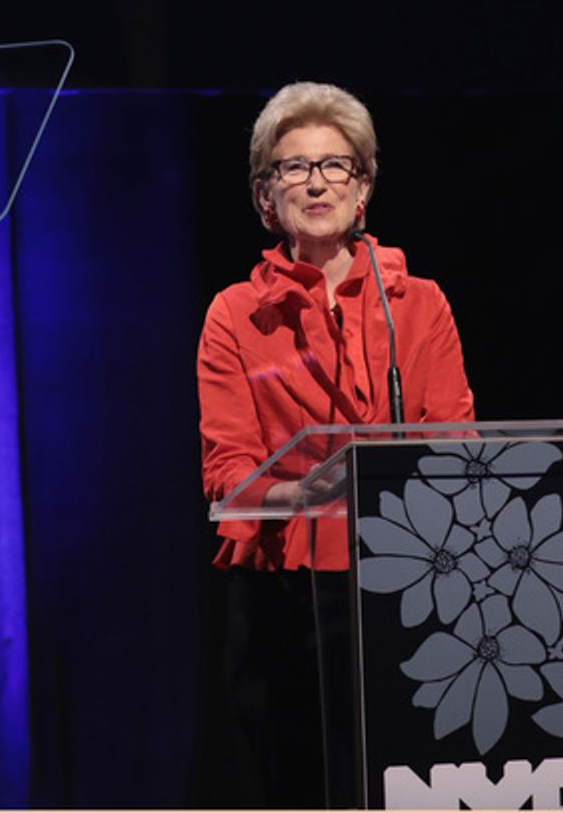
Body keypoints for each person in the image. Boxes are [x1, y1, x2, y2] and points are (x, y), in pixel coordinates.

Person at [196, 81, 474, 807]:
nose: (316, 181)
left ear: (364, 186)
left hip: (412, 581)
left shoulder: (419, 301)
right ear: (265, 195)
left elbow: (456, 441)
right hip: (285, 594)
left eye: (336, 165)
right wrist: (300, 492)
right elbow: (227, 474)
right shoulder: (234, 315)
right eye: (293, 167)